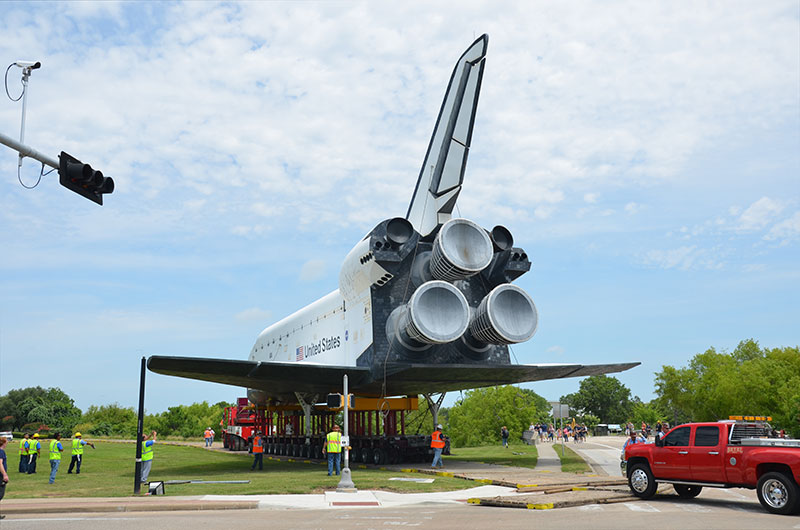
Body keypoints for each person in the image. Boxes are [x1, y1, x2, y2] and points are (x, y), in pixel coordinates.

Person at [0, 435, 9, 519]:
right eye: (6, 442)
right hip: (0, 476)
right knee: (0, 494)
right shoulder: (1, 452)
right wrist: (4, 474)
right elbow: (0, 464)